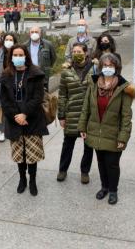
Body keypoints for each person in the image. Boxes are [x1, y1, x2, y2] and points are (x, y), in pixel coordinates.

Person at [78, 53, 135, 205]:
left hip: (113, 134)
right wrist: (82, 126)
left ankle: (113, 190)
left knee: (112, 164)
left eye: (111, 66)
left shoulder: (124, 88)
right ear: (101, 67)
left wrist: (123, 137)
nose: (107, 68)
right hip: (95, 131)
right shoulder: (94, 83)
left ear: (116, 68)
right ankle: (104, 187)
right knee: (101, 162)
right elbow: (86, 108)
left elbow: (126, 116)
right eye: (105, 66)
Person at [0, 44, 49, 196]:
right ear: (11, 57)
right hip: (14, 120)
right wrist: (16, 116)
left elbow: (37, 98)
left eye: (21, 55)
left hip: (32, 119)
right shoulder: (7, 75)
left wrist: (25, 114)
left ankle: (33, 180)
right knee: (19, 154)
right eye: (16, 55)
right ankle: (22, 179)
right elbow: (4, 100)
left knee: (32, 155)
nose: (18, 58)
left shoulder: (35, 74)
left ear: (26, 57)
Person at [57, 43, 94, 184]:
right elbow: (62, 95)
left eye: (79, 51)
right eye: (74, 51)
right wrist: (61, 115)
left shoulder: (94, 69)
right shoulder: (67, 71)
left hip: (89, 114)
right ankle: (62, 169)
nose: (76, 53)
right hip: (71, 113)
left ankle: (85, 171)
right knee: (68, 144)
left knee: (88, 145)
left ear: (86, 53)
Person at [0, 33, 18, 142]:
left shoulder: (19, 52)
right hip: (1, 84)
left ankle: (14, 129)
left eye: (11, 39)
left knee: (14, 108)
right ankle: (2, 131)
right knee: (1, 108)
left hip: (15, 84)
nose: (9, 41)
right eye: (7, 39)